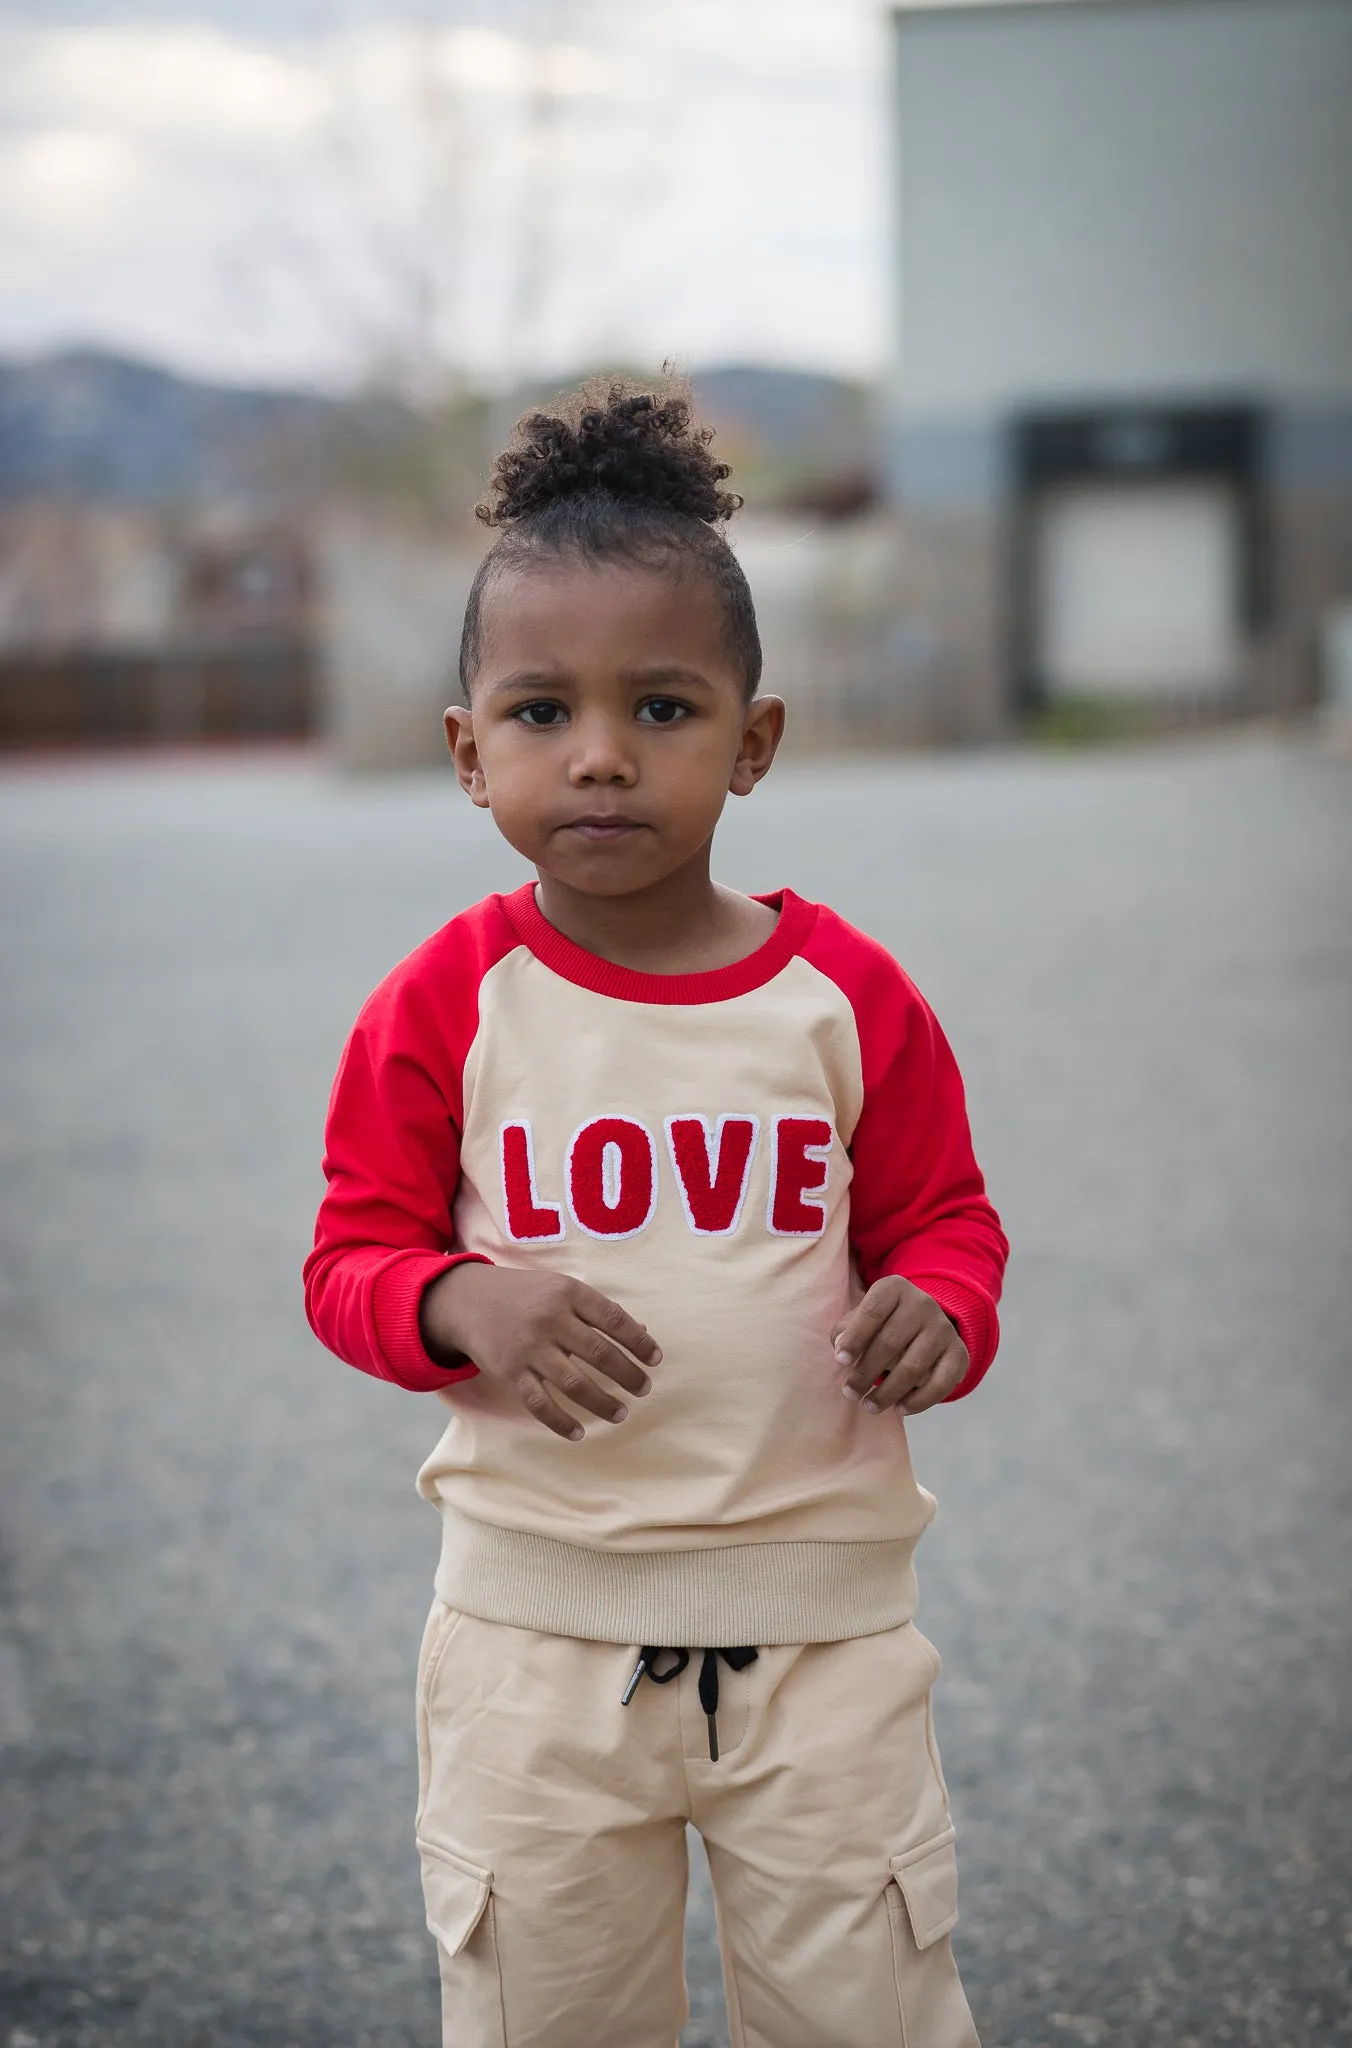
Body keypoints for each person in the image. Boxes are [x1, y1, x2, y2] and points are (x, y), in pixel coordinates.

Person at [303, 381, 1008, 2048]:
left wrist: (949, 1310)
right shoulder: (445, 1004)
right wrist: (459, 1303)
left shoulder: (843, 996)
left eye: (665, 707)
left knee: (867, 2015)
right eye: (542, 711)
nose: (602, 752)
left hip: (819, 1630)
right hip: (533, 1636)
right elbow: (351, 1261)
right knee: (551, 2020)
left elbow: (948, 1223)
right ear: (469, 752)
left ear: (754, 741)